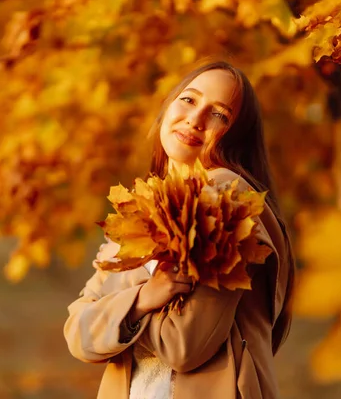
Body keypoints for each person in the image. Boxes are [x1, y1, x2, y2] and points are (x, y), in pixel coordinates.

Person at [64, 61, 295, 399]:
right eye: (189, 99)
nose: (195, 119)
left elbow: (183, 345)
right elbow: (77, 335)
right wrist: (143, 298)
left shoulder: (227, 196)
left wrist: (116, 305)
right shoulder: (141, 206)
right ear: (169, 104)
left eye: (219, 114)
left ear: (236, 136)